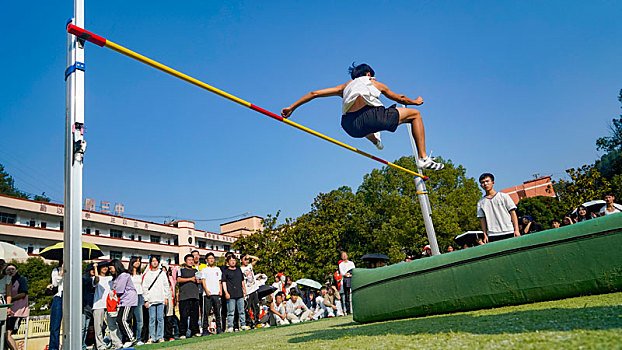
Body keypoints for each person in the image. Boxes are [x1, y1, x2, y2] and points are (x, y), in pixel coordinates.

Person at [281, 63, 444, 170]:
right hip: (374, 117)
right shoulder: (373, 82)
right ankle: (422, 158)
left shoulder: (344, 87)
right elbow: (400, 98)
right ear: (368, 74)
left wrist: (292, 107)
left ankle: (376, 141)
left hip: (350, 126)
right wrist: (415, 102)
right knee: (415, 115)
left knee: (366, 124)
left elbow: (314, 93)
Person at [477, 173, 520, 243]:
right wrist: (485, 235)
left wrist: (516, 230)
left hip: (508, 231)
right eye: (482, 182)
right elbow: (482, 220)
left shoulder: (504, 196)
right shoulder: (480, 202)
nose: (485, 184)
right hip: (493, 235)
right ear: (481, 185)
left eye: (487, 181)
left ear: (493, 182)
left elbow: (513, 213)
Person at [92, 262, 122, 350]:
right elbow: (96, 280)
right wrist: (95, 268)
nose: (105, 268)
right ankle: (100, 345)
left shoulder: (110, 278)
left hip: (110, 305)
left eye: (106, 267)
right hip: (98, 305)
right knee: (98, 327)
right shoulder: (95, 277)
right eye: (103, 267)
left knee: (112, 325)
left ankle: (117, 342)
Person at [109, 259, 138, 348]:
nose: (110, 270)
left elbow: (119, 289)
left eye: (111, 268)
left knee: (122, 319)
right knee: (122, 319)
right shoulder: (117, 277)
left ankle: (131, 338)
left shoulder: (124, 275)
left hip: (128, 300)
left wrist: (114, 290)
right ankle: (127, 338)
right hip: (123, 301)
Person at [142, 256, 170, 344]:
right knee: (152, 319)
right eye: (153, 261)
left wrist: (166, 297)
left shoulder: (162, 273)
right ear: (150, 263)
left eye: (156, 261)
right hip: (151, 300)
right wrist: (146, 300)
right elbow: (144, 287)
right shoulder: (147, 274)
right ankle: (152, 337)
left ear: (158, 263)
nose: (154, 263)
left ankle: (160, 337)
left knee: (160, 319)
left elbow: (166, 286)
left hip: (161, 299)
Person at [222, 255, 249, 332]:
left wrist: (244, 290)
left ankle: (243, 324)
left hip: (239, 293)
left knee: (241, 311)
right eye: (231, 260)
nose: (233, 262)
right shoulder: (226, 272)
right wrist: (226, 292)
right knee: (231, 312)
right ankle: (230, 326)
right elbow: (224, 282)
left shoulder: (238, 270)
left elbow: (242, 281)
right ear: (228, 262)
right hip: (230, 294)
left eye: (234, 260)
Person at [176, 254, 201, 339]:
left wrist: (198, 281)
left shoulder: (196, 270)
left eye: (192, 260)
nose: (191, 261)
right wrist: (190, 279)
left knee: (195, 316)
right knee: (184, 316)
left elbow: (199, 280)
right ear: (185, 261)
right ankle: (182, 333)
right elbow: (178, 280)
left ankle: (195, 331)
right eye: (189, 260)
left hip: (195, 296)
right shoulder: (181, 270)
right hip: (184, 296)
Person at [199, 253, 223, 335]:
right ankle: (205, 329)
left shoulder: (218, 269)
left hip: (216, 293)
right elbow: (203, 281)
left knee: (217, 312)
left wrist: (220, 290)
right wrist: (206, 290)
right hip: (207, 294)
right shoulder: (204, 270)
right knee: (205, 312)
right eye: (209, 258)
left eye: (212, 258)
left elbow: (220, 281)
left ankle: (219, 328)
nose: (211, 260)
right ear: (206, 260)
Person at [5, 264, 27, 350]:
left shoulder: (21, 280)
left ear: (16, 271)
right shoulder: (5, 281)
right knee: (3, 335)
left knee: (7, 334)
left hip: (17, 311)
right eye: (8, 269)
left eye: (12, 269)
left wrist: (9, 300)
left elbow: (23, 294)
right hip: (7, 311)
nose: (10, 271)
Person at [127, 256, 145, 345]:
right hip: (130, 297)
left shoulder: (140, 274)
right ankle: (130, 338)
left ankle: (138, 338)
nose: (138, 263)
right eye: (136, 261)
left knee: (139, 320)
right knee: (128, 319)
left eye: (139, 261)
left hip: (139, 296)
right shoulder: (127, 274)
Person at [240, 254, 260, 328]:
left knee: (256, 307)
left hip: (254, 289)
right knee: (247, 308)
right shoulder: (240, 269)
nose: (247, 261)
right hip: (247, 291)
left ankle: (257, 321)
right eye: (245, 259)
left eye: (247, 259)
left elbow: (257, 259)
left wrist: (250, 256)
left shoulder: (249, 266)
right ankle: (249, 323)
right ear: (241, 260)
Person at [47, 260, 63, 350]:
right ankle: (53, 347)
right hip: (59, 296)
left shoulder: (74, 269)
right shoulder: (55, 270)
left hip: (70, 297)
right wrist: (61, 272)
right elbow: (55, 284)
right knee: (55, 324)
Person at [82, 263, 97, 350]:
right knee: (82, 328)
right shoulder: (85, 278)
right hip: (84, 306)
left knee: (86, 328)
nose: (93, 271)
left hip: (90, 307)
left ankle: (83, 344)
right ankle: (81, 345)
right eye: (92, 270)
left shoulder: (93, 279)